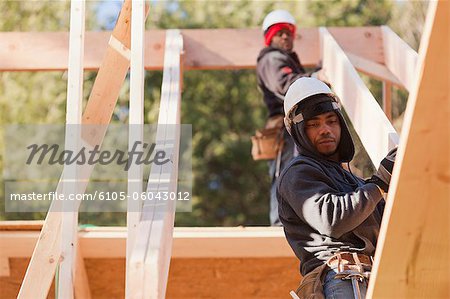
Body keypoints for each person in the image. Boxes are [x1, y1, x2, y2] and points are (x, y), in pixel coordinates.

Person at [277, 77, 397, 299]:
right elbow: (332, 219)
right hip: (341, 279)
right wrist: (380, 182)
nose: (325, 129)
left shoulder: (356, 183)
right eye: (314, 124)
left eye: (331, 121)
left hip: (375, 281)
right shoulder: (298, 173)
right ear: (298, 131)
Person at [257, 9, 319, 226]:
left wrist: (315, 74)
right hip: (285, 128)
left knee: (297, 173)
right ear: (270, 37)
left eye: (288, 33)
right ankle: (279, 225)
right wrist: (316, 78)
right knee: (285, 173)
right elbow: (286, 85)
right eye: (279, 33)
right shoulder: (272, 59)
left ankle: (292, 223)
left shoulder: (287, 60)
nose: (285, 37)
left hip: (294, 126)